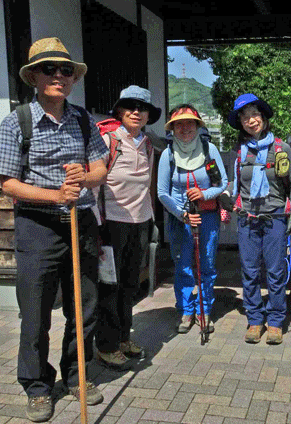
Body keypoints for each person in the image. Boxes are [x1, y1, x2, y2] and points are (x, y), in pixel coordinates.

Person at [0, 37, 108, 422]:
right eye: (50, 69)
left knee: (84, 308)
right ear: (34, 77)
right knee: (36, 314)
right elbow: (8, 183)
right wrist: (55, 194)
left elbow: (100, 169)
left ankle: (78, 375)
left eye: (66, 70)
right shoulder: (16, 122)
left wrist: (85, 178)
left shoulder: (84, 119)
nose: (60, 76)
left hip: (81, 223)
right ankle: (38, 386)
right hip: (37, 226)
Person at [94, 85, 161, 369]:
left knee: (131, 285)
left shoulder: (148, 144)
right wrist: (95, 227)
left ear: (148, 115)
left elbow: (148, 186)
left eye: (142, 108)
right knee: (110, 285)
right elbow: (95, 184)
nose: (137, 112)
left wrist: (153, 221)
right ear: (120, 111)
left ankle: (122, 338)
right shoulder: (107, 140)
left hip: (140, 223)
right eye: (130, 106)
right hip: (112, 224)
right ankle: (106, 345)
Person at [227, 93, 291, 345]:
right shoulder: (241, 152)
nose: (251, 121)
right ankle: (255, 319)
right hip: (247, 219)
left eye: (255, 115)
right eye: (245, 117)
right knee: (249, 271)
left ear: (264, 118)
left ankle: (276, 320)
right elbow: (235, 185)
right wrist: (229, 202)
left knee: (276, 271)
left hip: (275, 218)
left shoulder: (281, 149)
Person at [157, 104, 228, 334]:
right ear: (173, 128)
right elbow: (162, 192)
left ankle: (205, 309)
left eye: (190, 123)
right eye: (179, 124)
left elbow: (223, 183)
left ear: (198, 126)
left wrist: (204, 194)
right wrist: (182, 214)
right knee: (184, 266)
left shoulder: (209, 149)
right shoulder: (168, 155)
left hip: (207, 217)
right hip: (180, 219)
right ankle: (187, 310)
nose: (185, 128)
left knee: (207, 265)